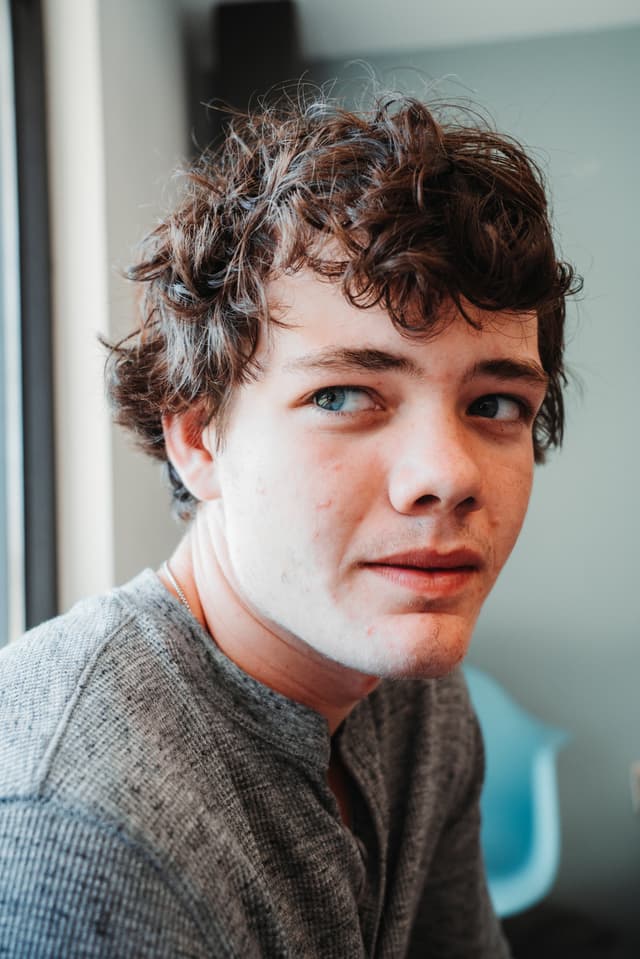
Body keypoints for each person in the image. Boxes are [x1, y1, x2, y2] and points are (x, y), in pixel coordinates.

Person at [0, 92, 579, 957]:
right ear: (199, 436)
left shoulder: (417, 696)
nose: (449, 476)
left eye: (494, 403)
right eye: (342, 395)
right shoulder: (81, 833)